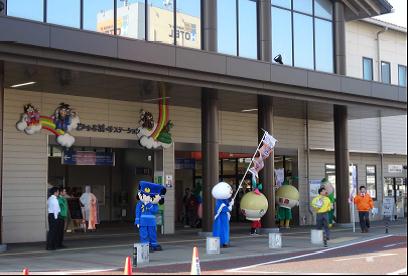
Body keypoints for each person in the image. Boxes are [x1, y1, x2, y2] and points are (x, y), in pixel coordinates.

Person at [212, 182, 234, 248]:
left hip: (224, 217)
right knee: (218, 229)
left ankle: (225, 242)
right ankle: (217, 243)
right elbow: (221, 208)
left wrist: (230, 204)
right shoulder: (218, 200)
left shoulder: (225, 200)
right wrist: (229, 207)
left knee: (225, 229)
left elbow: (227, 206)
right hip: (219, 217)